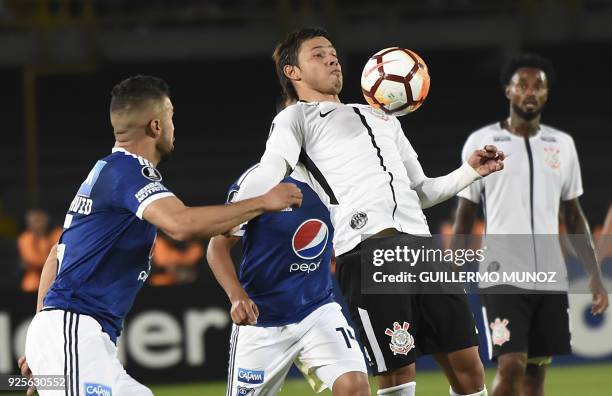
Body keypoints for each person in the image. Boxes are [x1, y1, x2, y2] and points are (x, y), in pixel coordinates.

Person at [233, 27, 505, 396]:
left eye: (333, 52)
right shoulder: (295, 119)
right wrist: (233, 212)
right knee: (398, 377)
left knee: (469, 370)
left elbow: (421, 190)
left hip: (422, 248)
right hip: (367, 254)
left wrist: (470, 171)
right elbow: (269, 169)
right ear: (292, 72)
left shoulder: (382, 116)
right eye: (317, 54)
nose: (332, 58)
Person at [19, 75, 302, 396]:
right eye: (170, 116)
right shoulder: (128, 172)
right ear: (155, 126)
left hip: (73, 336)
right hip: (75, 331)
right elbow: (181, 224)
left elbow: (57, 254)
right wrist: (263, 202)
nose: (173, 126)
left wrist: (45, 338)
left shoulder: (105, 172)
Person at [452, 53, 609, 396]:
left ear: (547, 94)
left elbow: (573, 215)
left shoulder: (562, 145)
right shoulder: (483, 143)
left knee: (535, 375)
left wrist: (594, 274)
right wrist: (452, 273)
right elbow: (465, 216)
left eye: (538, 85)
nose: (530, 92)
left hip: (550, 277)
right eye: (521, 85)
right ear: (508, 92)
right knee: (511, 366)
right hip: (502, 276)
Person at [207, 164, 369, 396]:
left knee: (355, 388)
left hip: (317, 310)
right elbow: (217, 247)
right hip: (262, 319)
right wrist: (237, 297)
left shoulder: (339, 178)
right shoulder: (260, 179)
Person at [17, 208, 62, 292]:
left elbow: (63, 254)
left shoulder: (57, 233)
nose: (39, 223)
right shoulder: (26, 238)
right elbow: (33, 259)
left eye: (41, 219)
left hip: (57, 282)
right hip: (34, 284)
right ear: (28, 223)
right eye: (35, 221)